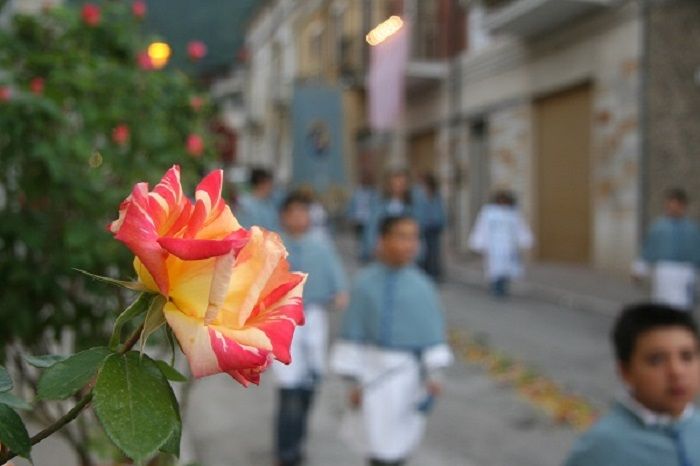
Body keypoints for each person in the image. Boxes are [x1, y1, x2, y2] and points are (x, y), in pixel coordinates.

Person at [331, 215, 453, 466]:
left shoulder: (423, 287)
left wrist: (435, 375)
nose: (409, 244)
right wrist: (351, 382)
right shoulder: (364, 283)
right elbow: (353, 334)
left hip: (407, 377)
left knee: (400, 445)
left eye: (413, 238)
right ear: (383, 240)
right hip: (371, 373)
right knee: (374, 443)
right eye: (401, 236)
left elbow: (432, 338)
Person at [564, 303, 700, 466]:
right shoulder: (604, 447)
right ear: (625, 371)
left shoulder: (694, 426)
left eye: (687, 356)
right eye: (656, 360)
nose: (677, 371)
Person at [272, 192, 348, 466]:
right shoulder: (275, 245)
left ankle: (296, 440)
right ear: (283, 216)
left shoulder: (321, 245)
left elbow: (335, 273)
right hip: (283, 319)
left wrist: (339, 290)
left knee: (310, 382)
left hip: (314, 316)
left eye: (303, 212)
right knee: (288, 384)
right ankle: (285, 450)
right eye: (292, 212)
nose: (298, 218)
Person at [632, 188, 700, 309]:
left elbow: (697, 253)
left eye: (676, 205)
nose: (673, 209)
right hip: (664, 272)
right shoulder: (658, 228)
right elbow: (649, 250)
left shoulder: (692, 230)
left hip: (685, 273)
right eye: (670, 205)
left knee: (683, 307)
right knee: (663, 307)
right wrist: (639, 270)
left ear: (682, 206)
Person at [468, 190, 533, 297]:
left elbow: (520, 228)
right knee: (495, 268)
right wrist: (479, 242)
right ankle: (496, 288)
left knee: (507, 268)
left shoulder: (513, 214)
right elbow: (482, 228)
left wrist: (525, 240)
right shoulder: (489, 213)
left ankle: (503, 287)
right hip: (494, 246)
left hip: (509, 246)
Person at [362, 170, 419, 262]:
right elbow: (371, 228)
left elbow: (417, 231)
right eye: (395, 183)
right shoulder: (379, 205)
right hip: (383, 252)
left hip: (405, 254)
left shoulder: (411, 207)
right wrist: (372, 248)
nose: (398, 186)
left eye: (401, 183)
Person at [416, 173, 446, 281]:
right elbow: (418, 210)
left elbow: (440, 210)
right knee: (423, 251)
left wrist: (442, 222)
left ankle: (434, 273)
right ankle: (424, 273)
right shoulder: (419, 194)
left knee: (434, 251)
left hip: (434, 227)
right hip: (423, 226)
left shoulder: (436, 194)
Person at [235, 167, 280, 232]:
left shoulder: (270, 203)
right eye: (269, 183)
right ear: (262, 183)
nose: (272, 187)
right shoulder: (244, 203)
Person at [347, 174, 378, 261]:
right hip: (359, 219)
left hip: (369, 219)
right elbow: (352, 205)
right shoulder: (357, 193)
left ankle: (367, 252)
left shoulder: (373, 193)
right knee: (359, 238)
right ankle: (361, 253)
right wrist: (351, 217)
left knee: (369, 236)